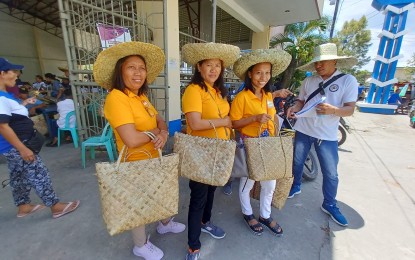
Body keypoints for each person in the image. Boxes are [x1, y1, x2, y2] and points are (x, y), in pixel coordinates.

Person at [93, 41, 185, 260]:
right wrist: (156, 132)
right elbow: (132, 139)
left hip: (153, 156)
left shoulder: (141, 97)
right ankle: (140, 245)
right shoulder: (117, 97)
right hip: (134, 161)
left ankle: (164, 223)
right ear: (120, 71)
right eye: (131, 67)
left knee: (158, 193)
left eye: (142, 68)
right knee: (139, 203)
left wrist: (162, 134)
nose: (138, 73)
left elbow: (160, 120)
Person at [287, 43, 358, 227]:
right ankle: (295, 186)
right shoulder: (309, 81)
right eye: (316, 63)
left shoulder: (347, 80)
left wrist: (333, 110)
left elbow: (349, 109)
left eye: (322, 62)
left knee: (331, 173)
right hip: (303, 129)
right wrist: (294, 108)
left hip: (327, 136)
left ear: (334, 60)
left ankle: (330, 204)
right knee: (297, 162)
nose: (318, 66)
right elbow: (300, 100)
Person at [0, 57, 80, 219]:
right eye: (13, 72)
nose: (17, 75)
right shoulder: (1, 97)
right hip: (18, 145)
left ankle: (23, 206)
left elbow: (10, 115)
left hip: (12, 146)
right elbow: (2, 126)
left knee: (18, 176)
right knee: (38, 173)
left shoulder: (5, 95)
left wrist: (24, 104)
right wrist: (22, 149)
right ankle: (56, 206)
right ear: (2, 73)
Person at [181, 42, 240, 260]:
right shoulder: (194, 90)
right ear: (199, 66)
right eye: (209, 65)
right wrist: (224, 121)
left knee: (212, 191)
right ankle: (193, 246)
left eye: (217, 65)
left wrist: (228, 123)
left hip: (220, 150)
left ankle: (206, 223)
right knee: (198, 196)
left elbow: (230, 119)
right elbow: (194, 124)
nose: (214, 69)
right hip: (201, 152)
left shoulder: (219, 91)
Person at [230, 49, 292, 236]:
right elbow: (234, 123)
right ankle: (247, 213)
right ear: (250, 74)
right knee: (248, 182)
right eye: (258, 72)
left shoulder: (267, 95)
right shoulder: (242, 97)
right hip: (250, 144)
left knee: (270, 183)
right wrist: (255, 118)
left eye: (267, 72)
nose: (263, 77)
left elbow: (272, 117)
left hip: (268, 145)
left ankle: (265, 215)